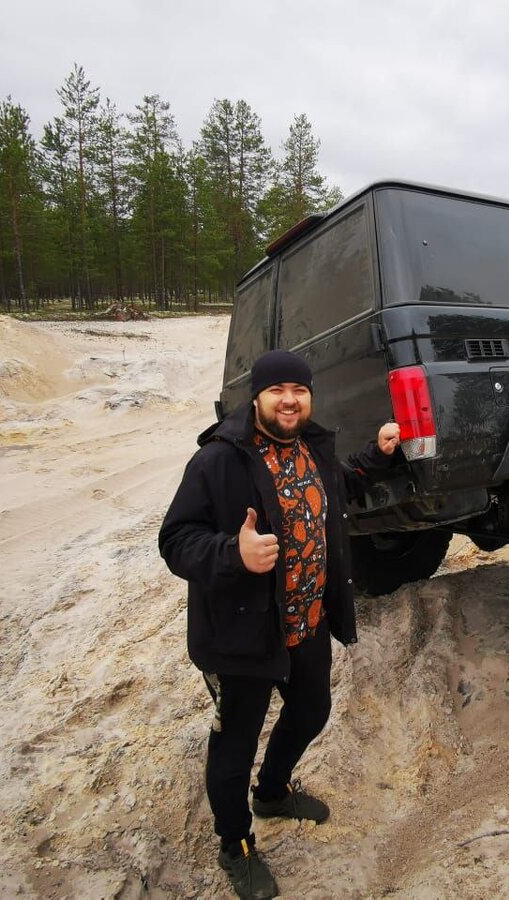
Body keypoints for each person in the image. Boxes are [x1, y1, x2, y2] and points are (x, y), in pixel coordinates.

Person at [159, 349, 400, 900]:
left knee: (313, 708)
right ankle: (234, 843)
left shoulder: (312, 447)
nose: (289, 400)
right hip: (242, 632)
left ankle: (272, 792)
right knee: (235, 744)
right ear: (258, 398)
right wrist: (231, 552)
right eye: (277, 391)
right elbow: (174, 540)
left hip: (307, 622)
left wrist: (379, 455)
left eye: (299, 389)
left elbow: (341, 486)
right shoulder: (219, 461)